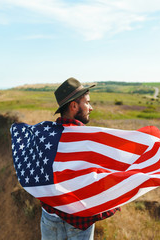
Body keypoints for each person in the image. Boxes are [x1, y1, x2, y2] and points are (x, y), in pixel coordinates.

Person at [40, 77, 120, 240]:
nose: (91, 108)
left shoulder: (46, 136)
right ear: (74, 105)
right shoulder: (88, 140)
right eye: (87, 103)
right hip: (79, 221)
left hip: (49, 217)